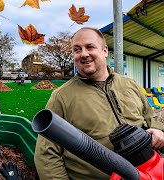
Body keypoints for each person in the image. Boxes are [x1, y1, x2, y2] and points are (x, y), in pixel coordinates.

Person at [34, 27, 164, 179]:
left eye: (90, 47)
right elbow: (46, 154)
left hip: (148, 173)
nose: (83, 54)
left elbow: (151, 119)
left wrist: (158, 131)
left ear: (104, 50)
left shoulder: (130, 84)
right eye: (77, 50)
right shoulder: (61, 97)